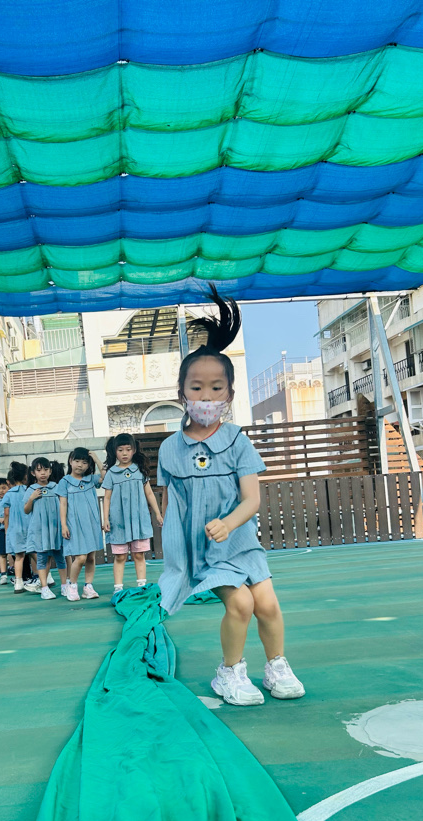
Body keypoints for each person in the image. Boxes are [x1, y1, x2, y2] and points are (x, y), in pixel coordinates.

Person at [157, 284, 305, 706]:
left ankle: (277, 666)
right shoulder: (170, 448)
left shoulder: (238, 440)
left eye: (216, 388)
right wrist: (177, 562)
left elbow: (252, 499)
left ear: (230, 395)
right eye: (197, 388)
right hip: (203, 551)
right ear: (181, 394)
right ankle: (229, 672)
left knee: (267, 604)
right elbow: (171, 507)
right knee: (240, 603)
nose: (206, 397)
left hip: (241, 542)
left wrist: (228, 523)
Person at [102, 433, 163, 594]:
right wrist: (105, 518)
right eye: (120, 450)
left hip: (138, 520)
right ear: (115, 451)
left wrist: (158, 513)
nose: (124, 453)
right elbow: (107, 498)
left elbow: (149, 493)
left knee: (138, 555)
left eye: (128, 449)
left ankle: (141, 586)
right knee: (120, 557)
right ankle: (118, 589)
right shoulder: (111, 473)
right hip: (118, 522)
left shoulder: (140, 471)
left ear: (134, 450)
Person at [56, 447, 106, 602]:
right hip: (74, 524)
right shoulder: (64, 482)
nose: (80, 465)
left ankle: (88, 587)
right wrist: (63, 525)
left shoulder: (91, 479)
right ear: (70, 461)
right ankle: (72, 585)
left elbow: (105, 477)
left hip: (91, 523)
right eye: (77, 461)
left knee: (91, 557)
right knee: (81, 557)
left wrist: (96, 458)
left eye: (84, 462)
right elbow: (63, 504)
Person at [23, 456, 67, 600]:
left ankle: (64, 585)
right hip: (40, 530)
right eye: (39, 470)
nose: (43, 473)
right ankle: (44, 588)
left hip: (56, 529)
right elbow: (26, 510)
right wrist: (32, 498)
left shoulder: (56, 487)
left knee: (60, 558)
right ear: (33, 473)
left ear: (50, 471)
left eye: (46, 469)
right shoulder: (31, 489)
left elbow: (64, 504)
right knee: (42, 559)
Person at [2, 462, 30, 594]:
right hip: (30, 527)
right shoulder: (29, 491)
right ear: (25, 476)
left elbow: (6, 513)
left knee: (19, 556)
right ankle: (45, 578)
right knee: (35, 554)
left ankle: (18, 583)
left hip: (15, 528)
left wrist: (7, 530)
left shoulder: (8, 494)